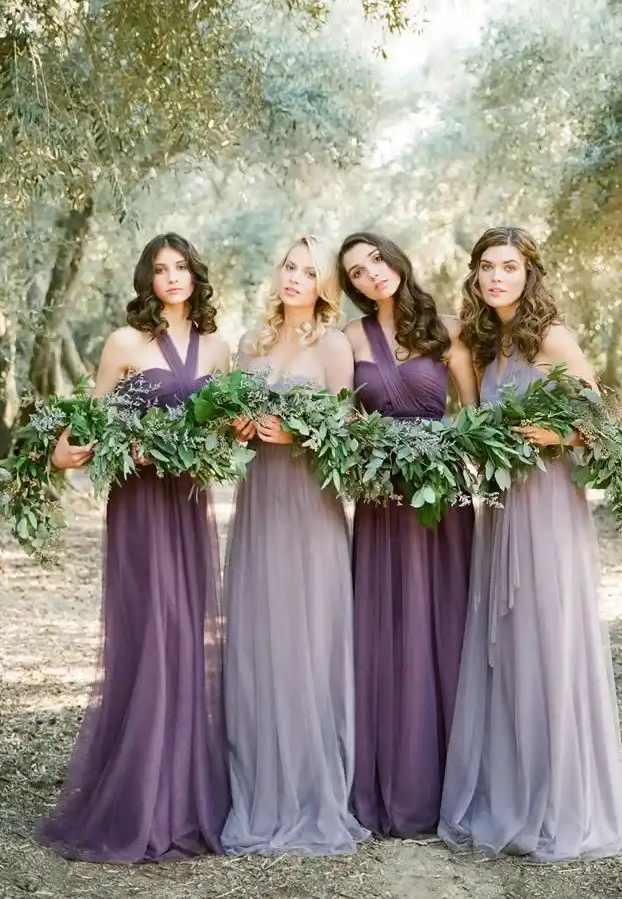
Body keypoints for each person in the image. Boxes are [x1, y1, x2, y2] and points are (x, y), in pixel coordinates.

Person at [439, 225, 622, 862]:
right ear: (476, 276)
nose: (496, 277)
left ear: (527, 273)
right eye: (486, 267)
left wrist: (552, 437)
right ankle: (514, 787)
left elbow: (597, 426)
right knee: (507, 645)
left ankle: (562, 798)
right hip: (505, 509)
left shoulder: (551, 337)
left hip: (550, 510)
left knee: (548, 637)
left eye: (508, 266)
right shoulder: (486, 343)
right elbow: (477, 418)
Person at [36, 233, 230, 863]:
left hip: (188, 506)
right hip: (140, 506)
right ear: (147, 279)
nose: (172, 277)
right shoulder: (124, 343)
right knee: (149, 634)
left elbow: (223, 436)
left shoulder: (220, 349)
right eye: (160, 269)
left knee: (186, 637)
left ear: (196, 277)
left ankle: (181, 795)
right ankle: (136, 796)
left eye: (181, 267)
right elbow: (87, 429)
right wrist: (60, 454)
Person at [221, 235, 369, 856]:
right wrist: (235, 425)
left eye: (310, 271)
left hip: (310, 507)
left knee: (308, 639)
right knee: (260, 639)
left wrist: (298, 432)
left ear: (323, 285)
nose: (296, 277)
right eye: (289, 265)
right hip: (258, 503)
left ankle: (311, 790)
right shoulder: (249, 345)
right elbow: (222, 421)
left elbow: (351, 433)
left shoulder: (334, 345)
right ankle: (259, 785)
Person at [338, 232, 477, 838]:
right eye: (356, 273)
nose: (371, 277)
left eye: (376, 262)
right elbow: (341, 418)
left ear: (396, 260)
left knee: (443, 619)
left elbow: (472, 416)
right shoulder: (348, 338)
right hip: (380, 500)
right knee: (384, 625)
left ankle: (452, 781)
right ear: (349, 287)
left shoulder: (448, 328)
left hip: (440, 498)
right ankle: (390, 779)